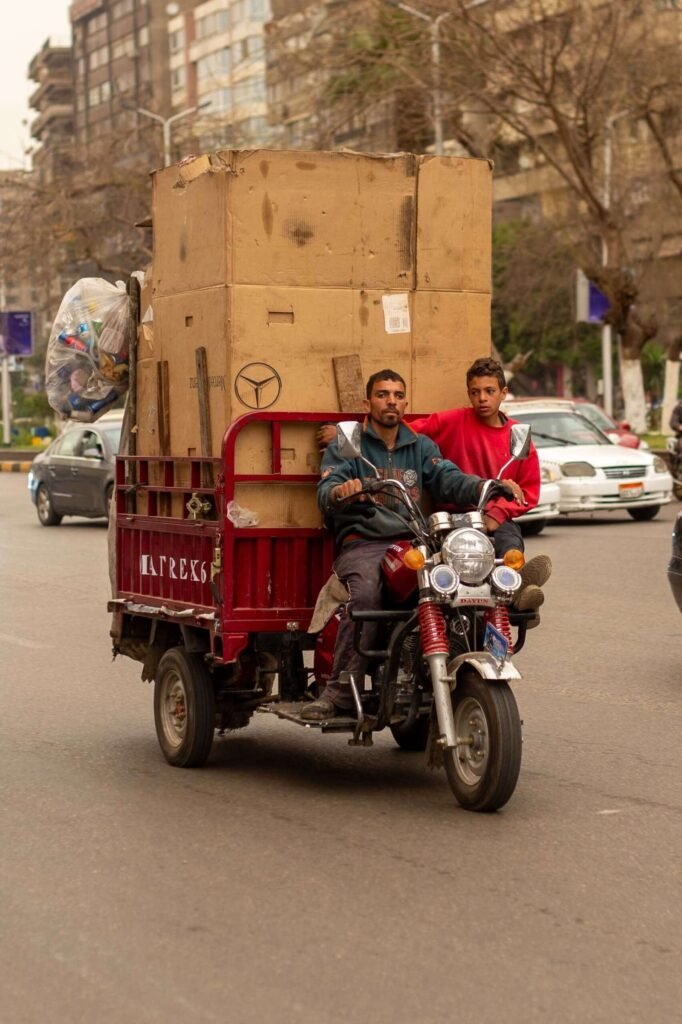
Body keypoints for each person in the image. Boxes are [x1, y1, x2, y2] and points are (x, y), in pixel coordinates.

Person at [302, 368, 524, 721]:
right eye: (382, 394)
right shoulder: (351, 445)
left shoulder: (419, 445)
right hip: (365, 543)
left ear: (405, 402)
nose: (391, 401)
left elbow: (447, 477)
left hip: (414, 542)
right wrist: (341, 490)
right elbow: (326, 491)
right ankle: (341, 689)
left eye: (398, 395)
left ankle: (458, 670)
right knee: (367, 597)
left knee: (468, 585)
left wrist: (488, 485)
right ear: (368, 402)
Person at [408, 356, 551, 616]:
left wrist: (496, 514)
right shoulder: (450, 421)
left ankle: (516, 588)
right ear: (469, 394)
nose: (482, 398)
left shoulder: (518, 435)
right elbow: (404, 433)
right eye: (475, 392)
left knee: (509, 541)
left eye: (489, 391)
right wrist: (361, 432)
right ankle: (512, 591)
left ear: (503, 393)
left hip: (496, 516)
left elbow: (528, 491)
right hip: (453, 516)